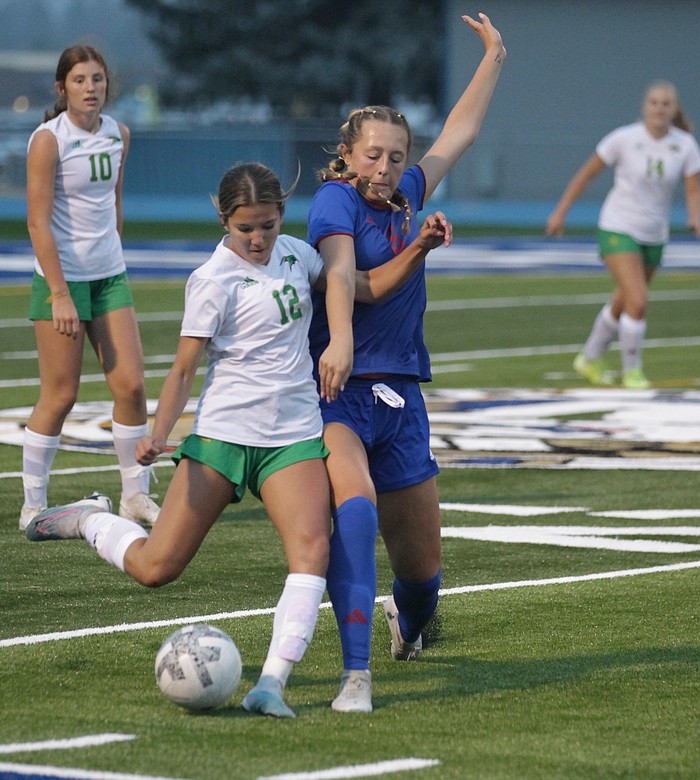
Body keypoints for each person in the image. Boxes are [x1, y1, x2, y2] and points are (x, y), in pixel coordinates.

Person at [25, 162, 452, 718]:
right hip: (224, 436)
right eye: (245, 228)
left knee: (311, 555)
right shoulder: (212, 279)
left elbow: (360, 286)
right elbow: (183, 371)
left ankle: (271, 684)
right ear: (223, 218)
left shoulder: (299, 255)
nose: (257, 239)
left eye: (268, 225)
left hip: (293, 437)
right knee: (158, 568)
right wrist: (159, 434)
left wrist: (418, 247)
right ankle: (87, 518)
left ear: (282, 216)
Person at [305, 12, 506, 714]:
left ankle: (405, 622)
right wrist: (341, 339)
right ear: (347, 154)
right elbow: (346, 281)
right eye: (372, 155)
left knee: (423, 583)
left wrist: (494, 58)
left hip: (401, 399)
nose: (384, 167)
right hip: (338, 391)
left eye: (395, 157)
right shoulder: (333, 201)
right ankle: (354, 676)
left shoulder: (410, 197)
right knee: (354, 514)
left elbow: (460, 134)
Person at [19, 44, 159, 531]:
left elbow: (113, 206)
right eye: (79, 80)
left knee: (133, 386)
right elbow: (38, 223)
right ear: (62, 88)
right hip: (62, 282)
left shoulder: (119, 134)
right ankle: (33, 506)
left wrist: (112, 256)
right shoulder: (47, 140)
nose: (90, 88)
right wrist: (59, 293)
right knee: (60, 395)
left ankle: (135, 497)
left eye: (97, 79)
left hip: (109, 277)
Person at [545, 80, 700, 390]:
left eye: (666, 104)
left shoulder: (684, 144)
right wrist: (561, 211)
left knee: (625, 301)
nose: (659, 108)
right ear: (644, 107)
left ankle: (589, 357)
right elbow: (587, 174)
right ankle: (632, 370)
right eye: (654, 102)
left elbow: (694, 187)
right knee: (639, 299)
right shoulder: (624, 138)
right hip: (618, 226)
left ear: (674, 110)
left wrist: (695, 216)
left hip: (654, 234)